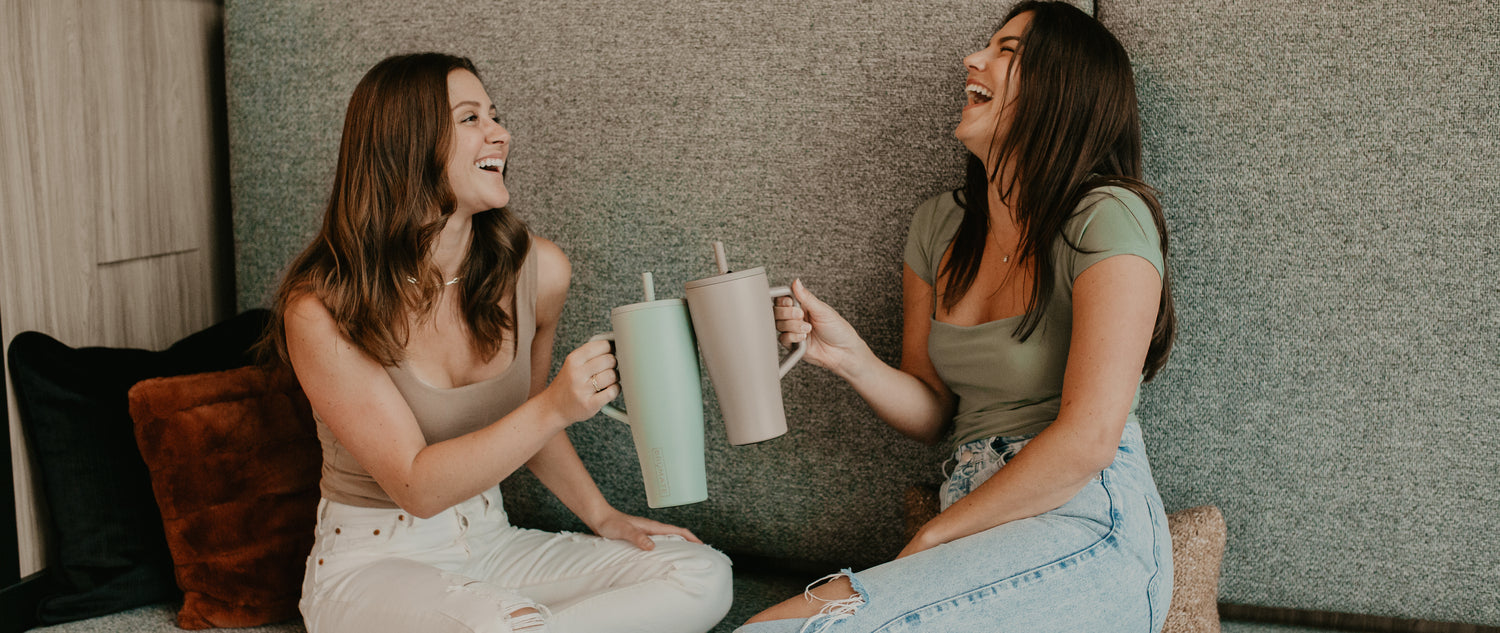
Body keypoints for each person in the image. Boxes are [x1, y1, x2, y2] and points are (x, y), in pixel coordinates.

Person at [262, 53, 732, 633]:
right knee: (504, 621)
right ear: (405, 145)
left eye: (494, 114)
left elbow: (526, 430)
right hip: (372, 566)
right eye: (470, 118)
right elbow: (416, 485)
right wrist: (556, 405)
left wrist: (603, 516)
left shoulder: (539, 271)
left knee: (701, 572)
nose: (500, 133)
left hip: (490, 542)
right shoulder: (324, 307)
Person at [745, 3, 1176, 632]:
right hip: (973, 511)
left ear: (1064, 89)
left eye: (1007, 51)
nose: (973, 61)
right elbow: (933, 413)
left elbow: (1088, 440)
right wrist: (851, 360)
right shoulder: (939, 226)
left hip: (1088, 519)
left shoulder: (1108, 214)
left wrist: (931, 538)